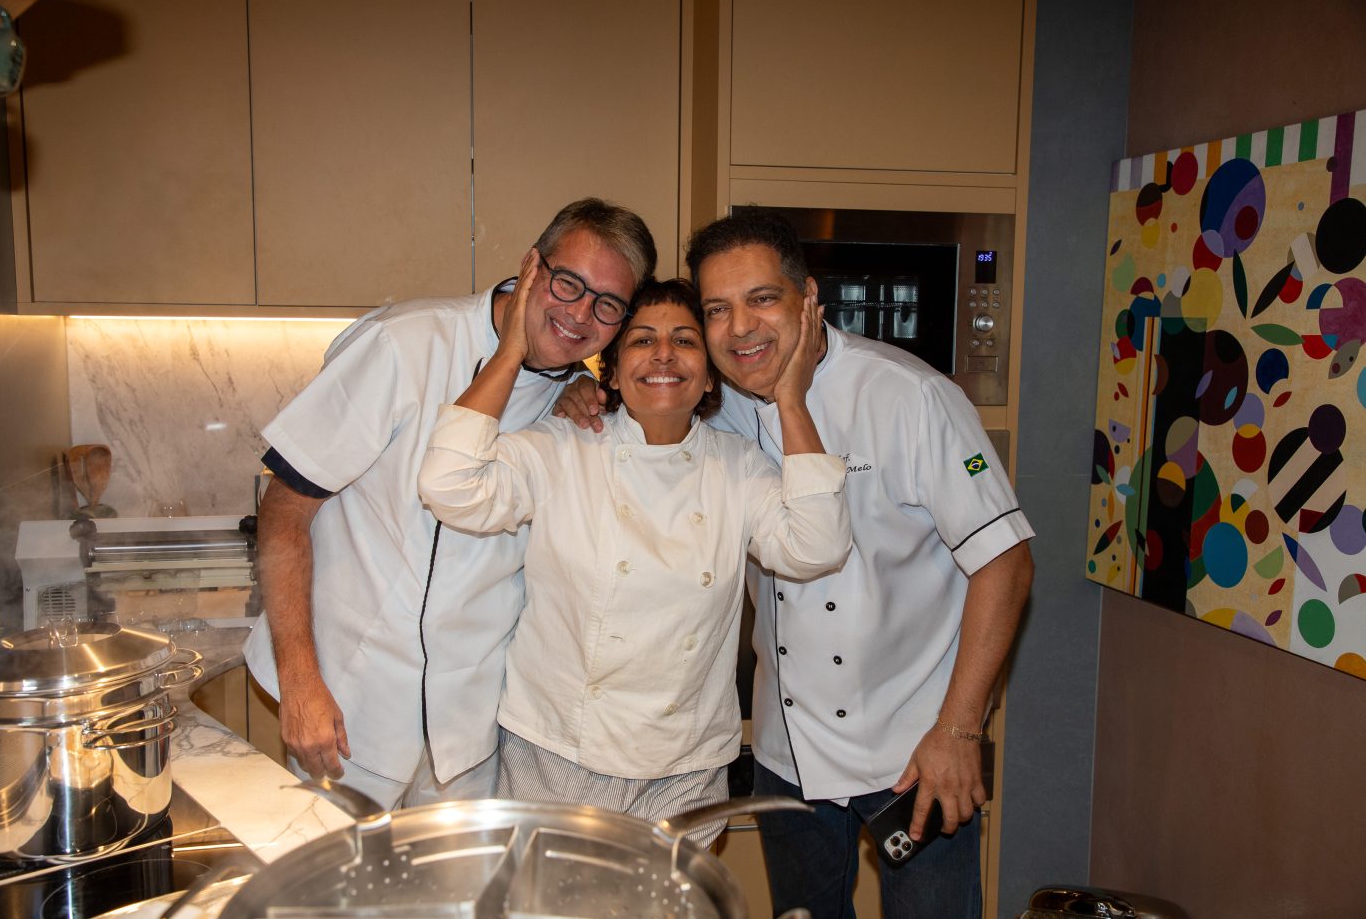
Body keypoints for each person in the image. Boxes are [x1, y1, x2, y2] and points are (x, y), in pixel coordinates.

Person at [558, 210, 1034, 918]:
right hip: (789, 754)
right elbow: (643, 410)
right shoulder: (713, 406)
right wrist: (581, 392)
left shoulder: (910, 397)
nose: (739, 328)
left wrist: (960, 730)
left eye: (762, 299)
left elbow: (1006, 560)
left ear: (808, 300)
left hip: (915, 748)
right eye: (716, 309)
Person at [243, 198, 656, 810]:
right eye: (568, 283)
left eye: (608, 305)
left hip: (471, 735)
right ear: (532, 267)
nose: (580, 315)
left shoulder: (577, 403)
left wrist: (576, 387)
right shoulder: (403, 345)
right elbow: (284, 517)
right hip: (347, 709)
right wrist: (299, 681)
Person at [417, 271, 851, 846]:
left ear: (709, 374)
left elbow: (817, 547)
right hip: (558, 753)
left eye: (686, 340)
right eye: (643, 339)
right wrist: (513, 349)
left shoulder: (738, 467)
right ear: (614, 371)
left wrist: (790, 399)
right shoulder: (564, 446)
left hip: (686, 765)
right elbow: (449, 485)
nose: (664, 355)